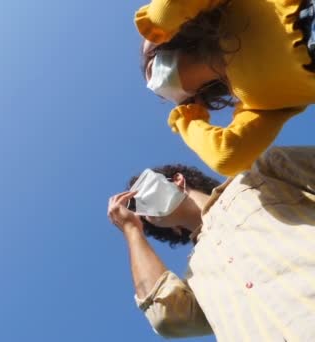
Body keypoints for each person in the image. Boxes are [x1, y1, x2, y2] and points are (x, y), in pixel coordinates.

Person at [107, 146, 315, 341]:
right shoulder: (196, 276)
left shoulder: (259, 178)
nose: (142, 211)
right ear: (173, 229)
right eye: (140, 213)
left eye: (141, 194)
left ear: (178, 180)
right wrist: (132, 229)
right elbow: (167, 318)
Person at [135, 0, 315, 176]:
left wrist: (152, 26)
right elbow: (227, 157)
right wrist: (187, 119)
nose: (157, 84)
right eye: (160, 91)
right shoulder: (252, 104)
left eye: (153, 69)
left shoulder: (228, 7)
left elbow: (166, 10)